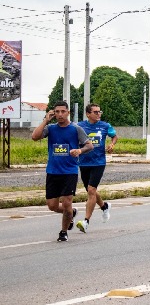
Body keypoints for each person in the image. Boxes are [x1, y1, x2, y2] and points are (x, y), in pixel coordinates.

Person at [31, 101, 93, 242]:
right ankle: (71, 213)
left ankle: (63, 232)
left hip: (69, 172)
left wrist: (79, 150)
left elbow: (89, 145)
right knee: (52, 206)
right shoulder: (51, 128)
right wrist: (45, 120)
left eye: (62, 111)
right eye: (57, 112)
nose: (59, 114)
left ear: (68, 112)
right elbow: (35, 137)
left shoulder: (75, 129)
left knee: (66, 203)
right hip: (53, 171)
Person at [75, 103, 118, 233]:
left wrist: (112, 144)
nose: (98, 114)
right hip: (83, 162)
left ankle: (86, 221)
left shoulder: (105, 126)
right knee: (90, 191)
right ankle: (104, 206)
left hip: (99, 162)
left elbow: (114, 136)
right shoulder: (79, 126)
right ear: (88, 114)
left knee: (91, 190)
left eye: (100, 112)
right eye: (95, 112)